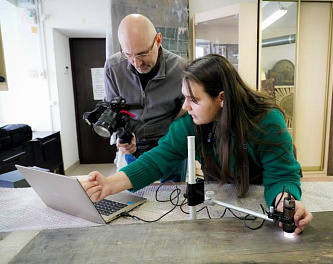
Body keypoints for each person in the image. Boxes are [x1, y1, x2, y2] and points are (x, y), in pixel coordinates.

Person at [84, 54, 313, 234]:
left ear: (221, 98)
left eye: (194, 99)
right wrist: (109, 185)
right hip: (221, 200)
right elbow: (157, 160)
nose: (186, 106)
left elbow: (282, 176)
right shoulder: (190, 122)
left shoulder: (266, 120)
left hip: (262, 199)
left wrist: (287, 204)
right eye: (185, 97)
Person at [104, 14, 187, 181]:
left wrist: (173, 140)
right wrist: (122, 134)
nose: (136, 62)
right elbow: (112, 109)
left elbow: (186, 111)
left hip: (169, 145)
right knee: (137, 196)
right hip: (134, 144)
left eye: (142, 54)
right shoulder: (113, 68)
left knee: (173, 195)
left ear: (158, 40)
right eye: (128, 55)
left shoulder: (181, 69)